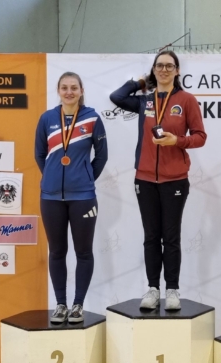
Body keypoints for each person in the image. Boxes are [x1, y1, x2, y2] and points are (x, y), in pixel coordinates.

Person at [110, 50, 207, 310]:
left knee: (171, 237)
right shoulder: (145, 101)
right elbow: (117, 97)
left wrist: (178, 141)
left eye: (169, 66)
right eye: (159, 66)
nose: (164, 70)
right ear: (154, 69)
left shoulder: (186, 100)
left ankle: (172, 289)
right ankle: (153, 289)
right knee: (151, 236)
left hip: (175, 179)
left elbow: (200, 136)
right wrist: (142, 81)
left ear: (177, 71)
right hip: (144, 179)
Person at [35, 72, 108, 323]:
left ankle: (78, 305)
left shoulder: (92, 118)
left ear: (81, 91)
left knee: (83, 252)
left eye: (74, 88)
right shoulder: (47, 118)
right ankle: (60, 304)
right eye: (64, 87)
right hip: (51, 197)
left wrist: (85, 178)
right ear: (58, 90)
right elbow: (39, 154)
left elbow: (101, 156)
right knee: (57, 252)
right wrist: (52, 177)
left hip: (83, 197)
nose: (69, 92)